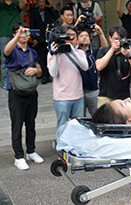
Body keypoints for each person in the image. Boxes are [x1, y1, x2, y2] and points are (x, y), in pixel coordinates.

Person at [4, 22, 43, 170]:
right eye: (21, 32)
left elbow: (40, 70)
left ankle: (31, 151)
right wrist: (18, 36)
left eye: (26, 32)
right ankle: (18, 156)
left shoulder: (32, 52)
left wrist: (35, 70)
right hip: (16, 93)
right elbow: (6, 51)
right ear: (15, 34)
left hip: (31, 92)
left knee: (31, 124)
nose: (25, 35)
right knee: (17, 125)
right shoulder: (13, 50)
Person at [47, 25, 89, 128]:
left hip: (78, 96)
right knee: (62, 126)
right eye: (67, 36)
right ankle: (62, 144)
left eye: (73, 36)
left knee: (79, 126)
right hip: (61, 98)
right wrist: (55, 54)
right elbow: (53, 73)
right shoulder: (52, 53)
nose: (70, 39)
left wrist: (73, 51)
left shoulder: (79, 52)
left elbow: (85, 67)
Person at [95, 26, 131, 107]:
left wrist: (130, 56)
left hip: (123, 98)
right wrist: (112, 49)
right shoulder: (103, 51)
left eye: (121, 39)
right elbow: (99, 66)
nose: (119, 42)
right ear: (110, 38)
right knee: (104, 119)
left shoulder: (128, 52)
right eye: (116, 39)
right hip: (106, 96)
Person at [77, 24, 108, 116]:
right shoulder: (74, 52)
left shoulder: (94, 52)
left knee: (96, 116)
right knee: (79, 118)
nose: (84, 38)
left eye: (86, 36)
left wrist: (100, 33)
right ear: (77, 39)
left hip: (93, 90)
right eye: (81, 36)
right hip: (78, 91)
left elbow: (105, 48)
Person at [29, 0, 59, 84]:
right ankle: (45, 76)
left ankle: (50, 74)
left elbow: (56, 17)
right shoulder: (33, 12)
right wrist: (33, 37)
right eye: (40, 2)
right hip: (39, 38)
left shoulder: (49, 10)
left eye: (43, 2)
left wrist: (51, 6)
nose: (42, 4)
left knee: (50, 56)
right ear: (37, 3)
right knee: (42, 58)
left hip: (49, 37)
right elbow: (32, 25)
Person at [0, 0, 26, 89]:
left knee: (20, 56)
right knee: (4, 59)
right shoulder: (1, 4)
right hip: (3, 34)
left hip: (16, 34)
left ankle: (19, 80)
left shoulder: (16, 3)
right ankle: (5, 81)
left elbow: (24, 3)